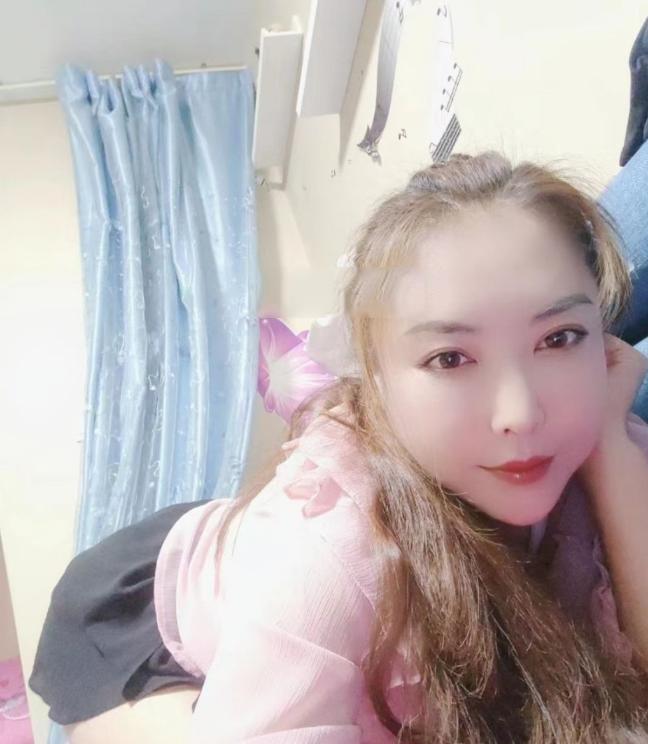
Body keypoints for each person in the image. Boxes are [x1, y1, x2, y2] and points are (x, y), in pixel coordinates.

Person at [30, 150, 648, 743]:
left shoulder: (599, 415)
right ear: (375, 378)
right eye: (450, 358)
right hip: (133, 618)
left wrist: (610, 447)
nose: (521, 414)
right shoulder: (327, 555)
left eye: (560, 338)